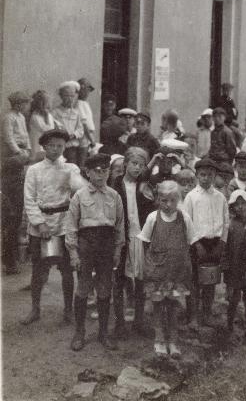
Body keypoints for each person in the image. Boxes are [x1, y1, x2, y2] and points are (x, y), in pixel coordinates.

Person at [22, 129, 85, 324]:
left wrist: (75, 180)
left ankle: (68, 310)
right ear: (44, 146)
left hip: (63, 223)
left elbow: (79, 189)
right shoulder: (34, 170)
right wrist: (40, 224)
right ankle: (35, 309)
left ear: (64, 147)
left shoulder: (70, 168)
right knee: (38, 269)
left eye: (60, 145)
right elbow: (29, 200)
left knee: (66, 270)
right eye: (51, 145)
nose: (56, 149)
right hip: (41, 223)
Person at [65, 152, 125, 351]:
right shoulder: (79, 196)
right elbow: (72, 226)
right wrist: (73, 253)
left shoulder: (114, 196)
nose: (101, 175)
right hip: (86, 244)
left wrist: (117, 250)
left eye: (105, 170)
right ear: (88, 173)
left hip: (106, 245)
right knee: (83, 287)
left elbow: (119, 226)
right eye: (96, 171)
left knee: (105, 287)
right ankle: (79, 332)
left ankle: (103, 332)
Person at [138, 180, 196, 356]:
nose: (168, 204)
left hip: (177, 271)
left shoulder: (184, 218)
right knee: (158, 305)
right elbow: (145, 243)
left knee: (173, 305)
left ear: (178, 199)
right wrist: (150, 267)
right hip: (157, 271)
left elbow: (189, 242)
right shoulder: (152, 218)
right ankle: (159, 339)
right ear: (158, 200)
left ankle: (173, 341)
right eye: (164, 200)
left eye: (172, 200)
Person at [112, 147, 155, 339]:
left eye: (141, 165)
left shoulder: (144, 186)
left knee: (140, 280)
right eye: (134, 164)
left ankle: (139, 321)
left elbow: (151, 210)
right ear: (125, 164)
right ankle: (120, 323)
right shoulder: (115, 185)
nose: (137, 168)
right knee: (119, 279)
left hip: (140, 237)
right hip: (121, 238)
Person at [182, 158, 229, 326]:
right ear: (197, 175)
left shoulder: (220, 197)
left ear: (215, 175)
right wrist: (196, 244)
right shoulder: (191, 197)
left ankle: (207, 313)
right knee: (194, 282)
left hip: (215, 244)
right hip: (197, 244)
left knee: (210, 280)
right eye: (202, 175)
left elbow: (225, 222)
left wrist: (221, 243)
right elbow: (187, 222)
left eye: (210, 175)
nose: (206, 178)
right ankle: (193, 317)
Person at [1, 91, 31, 273]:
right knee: (10, 216)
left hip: (20, 156)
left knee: (16, 215)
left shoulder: (20, 117)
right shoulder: (8, 118)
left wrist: (26, 150)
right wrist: (18, 153)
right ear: (17, 104)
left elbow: (25, 137)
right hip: (12, 156)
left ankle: (11, 259)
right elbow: (8, 137)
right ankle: (9, 259)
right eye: (23, 103)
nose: (25, 106)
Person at [223, 189, 246, 339]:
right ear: (232, 208)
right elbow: (225, 249)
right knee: (233, 299)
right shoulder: (230, 226)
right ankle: (229, 326)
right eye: (236, 205)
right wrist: (225, 269)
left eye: (243, 203)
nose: (240, 207)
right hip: (234, 270)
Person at [52, 81, 85, 166]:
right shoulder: (55, 112)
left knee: (72, 169)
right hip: (60, 147)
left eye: (72, 96)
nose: (70, 99)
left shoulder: (76, 112)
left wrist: (74, 135)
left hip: (73, 148)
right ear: (61, 96)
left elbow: (80, 129)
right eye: (66, 96)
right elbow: (53, 128)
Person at [28, 90, 59, 162]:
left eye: (49, 103)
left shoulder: (48, 115)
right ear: (40, 104)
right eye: (46, 103)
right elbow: (47, 129)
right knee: (39, 160)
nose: (49, 106)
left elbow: (52, 127)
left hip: (46, 142)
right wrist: (46, 116)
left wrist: (47, 115)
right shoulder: (35, 116)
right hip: (37, 143)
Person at [76, 78, 96, 152]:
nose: (88, 93)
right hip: (84, 135)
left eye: (89, 90)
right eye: (87, 90)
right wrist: (91, 139)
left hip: (88, 135)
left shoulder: (85, 103)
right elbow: (84, 124)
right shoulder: (79, 103)